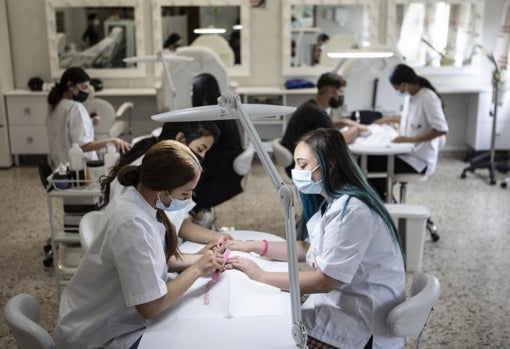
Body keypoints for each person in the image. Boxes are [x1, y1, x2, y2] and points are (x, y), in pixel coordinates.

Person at [225, 128, 406, 349]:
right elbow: (308, 247)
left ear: (329, 165)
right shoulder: (334, 201)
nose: (296, 171)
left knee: (271, 335)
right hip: (345, 300)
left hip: (361, 323)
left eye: (302, 165)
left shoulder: (352, 211)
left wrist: (260, 275)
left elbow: (325, 281)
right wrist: (252, 246)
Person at [55, 140, 227, 348]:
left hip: (108, 317)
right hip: (95, 334)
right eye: (185, 193)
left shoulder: (140, 199)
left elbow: (157, 259)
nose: (189, 199)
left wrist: (202, 258)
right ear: (162, 189)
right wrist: (199, 268)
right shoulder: (132, 223)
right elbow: (151, 306)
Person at [101, 121, 233, 246]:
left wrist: (217, 237)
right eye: (200, 149)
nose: (201, 157)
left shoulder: (167, 168)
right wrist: (197, 262)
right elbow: (156, 255)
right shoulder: (151, 176)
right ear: (180, 139)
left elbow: (178, 222)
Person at [367, 63, 449, 200]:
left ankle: (384, 201)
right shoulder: (410, 97)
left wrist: (407, 140)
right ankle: (384, 199)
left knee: (374, 165)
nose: (397, 91)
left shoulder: (428, 97)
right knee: (371, 160)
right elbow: (411, 120)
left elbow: (441, 129)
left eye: (397, 88)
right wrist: (386, 120)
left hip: (419, 160)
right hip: (407, 152)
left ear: (404, 84)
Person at [189, 73, 246, 227]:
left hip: (222, 174)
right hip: (229, 167)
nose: (192, 94)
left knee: (184, 176)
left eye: (194, 90)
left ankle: (198, 214)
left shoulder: (211, 116)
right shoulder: (221, 110)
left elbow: (207, 151)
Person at [281, 72, 364, 178]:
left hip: (297, 161)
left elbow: (325, 124)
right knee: (355, 161)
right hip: (304, 167)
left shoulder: (310, 107)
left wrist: (344, 121)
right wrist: (356, 128)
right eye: (340, 92)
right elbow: (338, 140)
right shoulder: (317, 112)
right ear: (331, 92)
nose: (341, 96)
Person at [46, 67, 131, 168]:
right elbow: (84, 146)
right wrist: (113, 141)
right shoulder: (75, 107)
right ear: (70, 85)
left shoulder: (55, 105)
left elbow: (65, 132)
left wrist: (88, 123)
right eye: (83, 87)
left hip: (59, 167)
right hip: (79, 169)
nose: (86, 92)